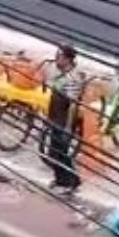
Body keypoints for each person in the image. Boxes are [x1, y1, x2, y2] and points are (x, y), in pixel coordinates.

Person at [39, 43, 82, 194]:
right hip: (55, 117)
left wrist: (68, 127)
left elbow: (73, 105)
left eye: (59, 56)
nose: (56, 59)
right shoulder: (60, 73)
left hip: (64, 120)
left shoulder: (73, 79)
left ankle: (72, 182)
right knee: (53, 152)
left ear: (68, 59)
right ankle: (60, 179)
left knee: (61, 153)